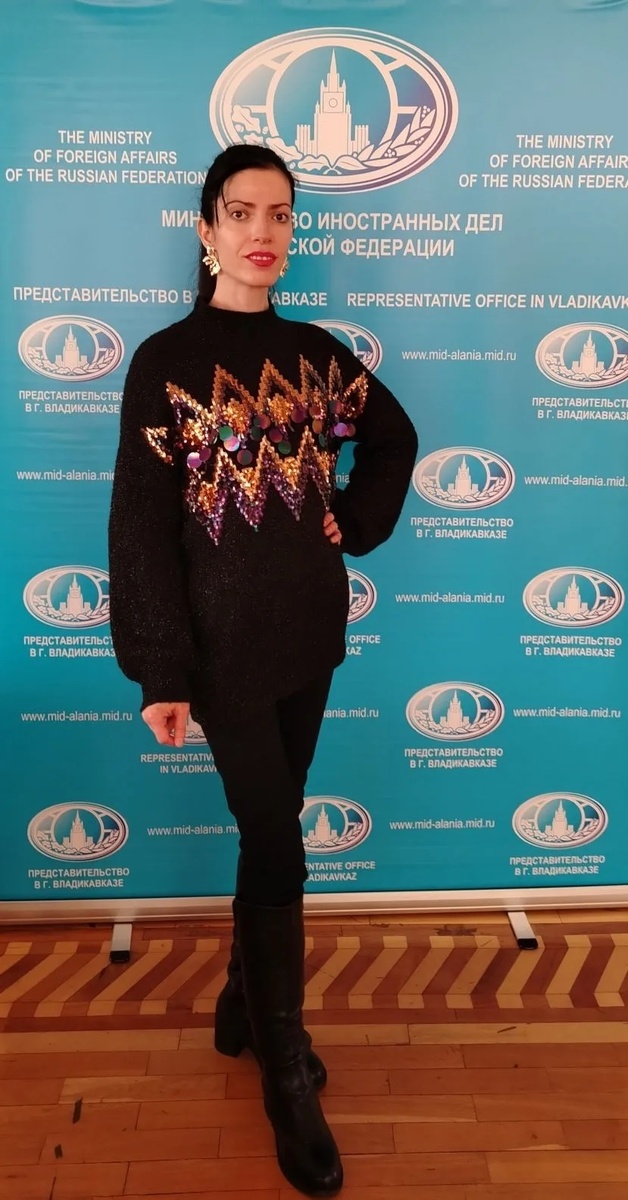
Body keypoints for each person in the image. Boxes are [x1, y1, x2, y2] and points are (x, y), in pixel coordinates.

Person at [108, 143, 418, 1198]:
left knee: (271, 823)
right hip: (221, 652)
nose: (262, 232)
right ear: (206, 231)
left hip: (308, 634)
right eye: (241, 212)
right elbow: (140, 529)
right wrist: (161, 670)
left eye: (280, 214)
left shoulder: (317, 356)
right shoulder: (165, 363)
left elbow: (393, 441)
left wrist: (356, 521)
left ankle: (244, 1003)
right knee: (279, 840)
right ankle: (286, 1064)